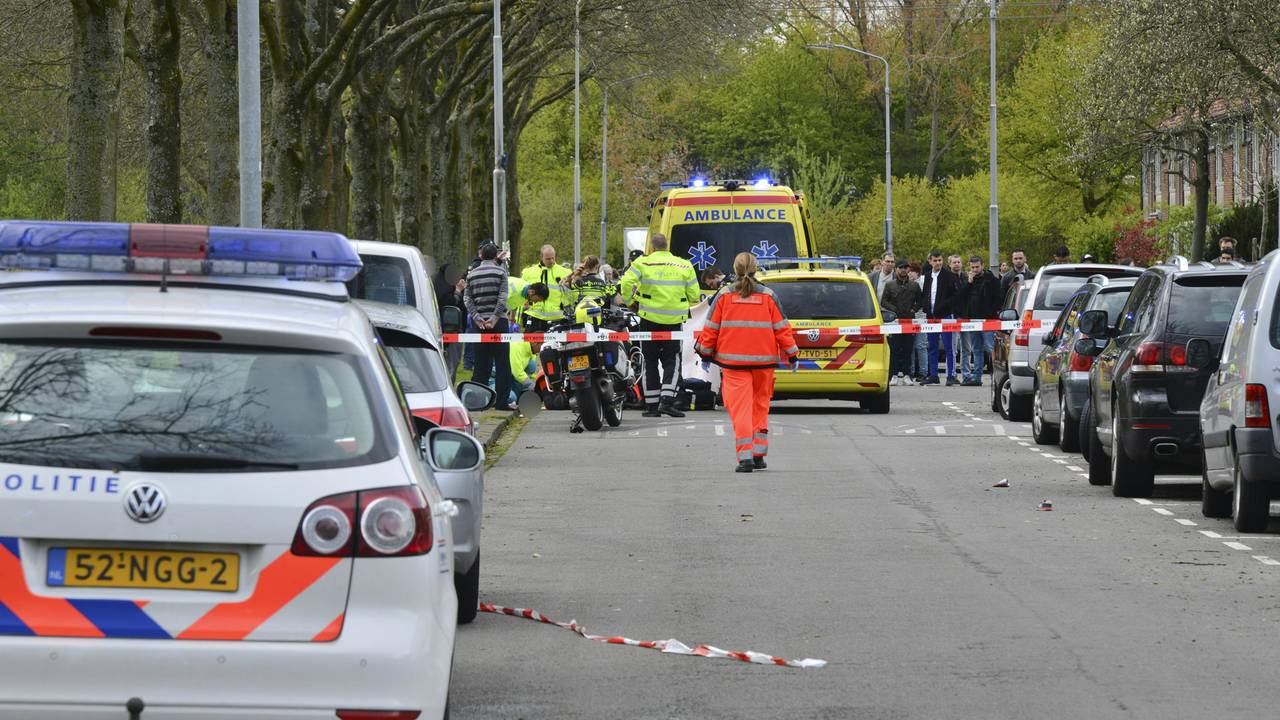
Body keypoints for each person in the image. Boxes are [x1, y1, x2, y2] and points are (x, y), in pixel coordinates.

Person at [694, 252, 798, 473]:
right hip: (764, 362)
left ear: (735, 268)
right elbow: (782, 327)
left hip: (733, 363)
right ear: (755, 268)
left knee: (740, 410)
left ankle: (745, 458)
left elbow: (711, 328)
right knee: (760, 407)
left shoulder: (724, 295)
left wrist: (704, 352)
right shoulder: (769, 296)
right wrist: (792, 353)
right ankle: (759, 455)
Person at [620, 233, 700, 417]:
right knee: (673, 360)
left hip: (649, 319)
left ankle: (652, 406)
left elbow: (625, 282)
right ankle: (668, 401)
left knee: (649, 361)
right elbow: (694, 295)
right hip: (674, 321)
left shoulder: (642, 262)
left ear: (652, 248)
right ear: (667, 247)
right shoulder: (684, 264)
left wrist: (630, 301)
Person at [464, 243, 514, 411]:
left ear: (481, 255)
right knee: (502, 364)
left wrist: (478, 319)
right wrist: (494, 318)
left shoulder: (472, 274)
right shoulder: (501, 272)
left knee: (480, 363)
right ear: (495, 257)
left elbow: (467, 299)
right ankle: (501, 403)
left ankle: (479, 403)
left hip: (479, 325)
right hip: (498, 322)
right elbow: (502, 298)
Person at [922, 250, 961, 385]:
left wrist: (944, 306)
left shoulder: (949, 276)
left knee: (949, 346)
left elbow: (956, 296)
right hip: (931, 316)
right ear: (930, 261)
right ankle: (933, 375)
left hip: (945, 315)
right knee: (932, 346)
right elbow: (926, 293)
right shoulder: (927, 276)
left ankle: (950, 375)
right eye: (935, 260)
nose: (938, 263)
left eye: (940, 260)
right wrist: (926, 307)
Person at [880, 260, 922, 386]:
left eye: (905, 267)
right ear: (896, 269)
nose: (903, 270)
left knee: (908, 349)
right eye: (901, 267)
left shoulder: (914, 285)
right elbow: (884, 301)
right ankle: (893, 375)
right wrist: (894, 310)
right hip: (894, 322)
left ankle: (907, 374)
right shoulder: (890, 285)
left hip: (909, 321)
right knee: (894, 349)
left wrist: (913, 309)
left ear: (908, 269)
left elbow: (920, 301)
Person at [959, 256, 999, 386]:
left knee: (990, 348)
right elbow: (962, 296)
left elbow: (998, 298)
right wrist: (969, 283)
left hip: (988, 320)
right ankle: (976, 377)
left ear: (982, 265)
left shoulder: (991, 279)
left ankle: (997, 376)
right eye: (972, 267)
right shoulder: (969, 280)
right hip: (973, 320)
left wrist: (992, 314)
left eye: (977, 267)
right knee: (976, 350)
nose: (975, 270)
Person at [520, 245, 571, 332]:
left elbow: (571, 296)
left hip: (557, 319)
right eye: (548, 259)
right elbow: (521, 296)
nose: (551, 261)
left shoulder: (566, 272)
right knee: (529, 345)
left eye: (553, 258)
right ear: (541, 256)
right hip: (534, 317)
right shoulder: (528, 273)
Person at [908, 261, 929, 382]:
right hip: (909, 318)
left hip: (921, 318)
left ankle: (923, 372)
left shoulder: (923, 283)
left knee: (921, 345)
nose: (910, 274)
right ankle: (910, 372)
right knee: (910, 346)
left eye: (912, 272)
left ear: (917, 272)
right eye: (909, 272)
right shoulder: (908, 284)